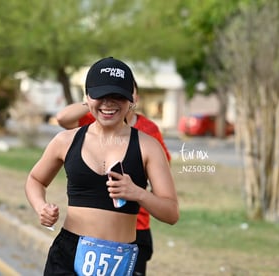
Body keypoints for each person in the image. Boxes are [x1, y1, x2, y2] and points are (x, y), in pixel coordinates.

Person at [25, 57, 179, 275]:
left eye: (117, 96)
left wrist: (138, 193)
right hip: (68, 255)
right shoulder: (65, 140)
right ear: (88, 98)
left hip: (119, 260)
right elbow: (35, 179)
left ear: (131, 100)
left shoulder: (148, 146)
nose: (108, 103)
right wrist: (41, 207)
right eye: (100, 95)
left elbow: (171, 213)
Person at [56, 80, 171, 276]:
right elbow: (63, 119)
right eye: (107, 92)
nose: (112, 100)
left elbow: (163, 181)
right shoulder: (95, 121)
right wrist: (96, 99)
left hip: (135, 228)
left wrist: (138, 192)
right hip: (82, 237)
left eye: (121, 93)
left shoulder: (148, 134)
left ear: (134, 98)